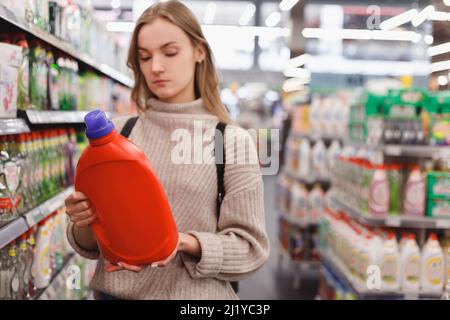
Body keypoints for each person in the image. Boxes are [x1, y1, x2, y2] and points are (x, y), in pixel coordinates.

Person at [64, 0, 269, 300]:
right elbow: (89, 243)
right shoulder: (120, 133)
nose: (156, 67)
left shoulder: (230, 141)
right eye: (145, 58)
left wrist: (184, 242)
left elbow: (251, 248)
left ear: (199, 51)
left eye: (170, 52)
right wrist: (83, 220)